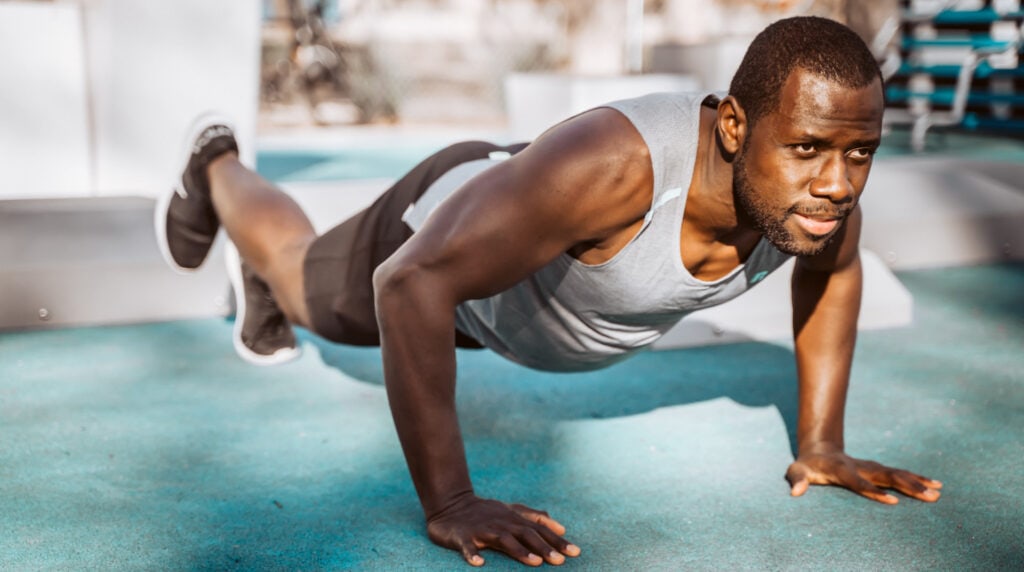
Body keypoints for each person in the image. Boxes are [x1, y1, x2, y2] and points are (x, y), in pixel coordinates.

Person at [157, 16, 942, 568]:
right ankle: (217, 164)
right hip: (445, 247)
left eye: (860, 152)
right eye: (807, 147)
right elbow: (408, 284)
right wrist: (451, 500)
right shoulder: (613, 167)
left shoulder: (818, 200)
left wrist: (821, 444)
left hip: (508, 305)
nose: (838, 182)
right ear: (734, 125)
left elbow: (833, 273)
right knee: (303, 285)